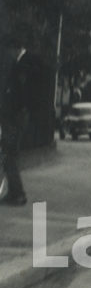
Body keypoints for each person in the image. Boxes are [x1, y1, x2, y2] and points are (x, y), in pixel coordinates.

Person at [1, 34, 43, 206]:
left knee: (9, 154)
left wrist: (14, 109)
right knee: (10, 154)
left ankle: (17, 194)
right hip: (20, 115)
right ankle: (14, 192)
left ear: (15, 48)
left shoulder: (23, 64)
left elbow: (22, 92)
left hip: (17, 116)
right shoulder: (27, 61)